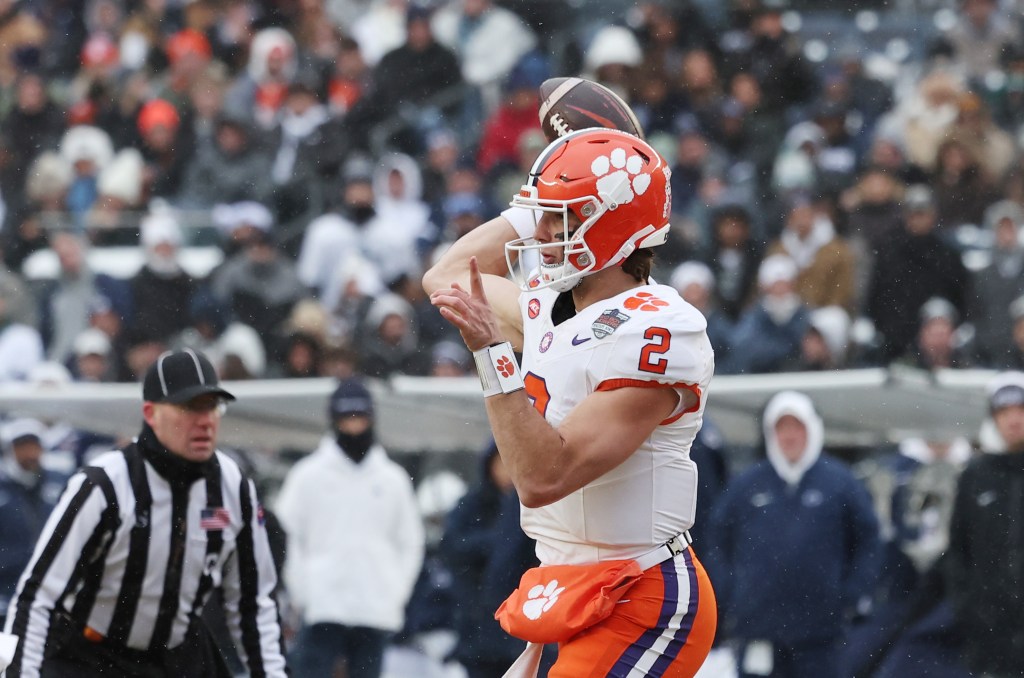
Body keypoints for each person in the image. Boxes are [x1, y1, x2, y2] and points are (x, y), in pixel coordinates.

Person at [425, 128, 716, 676]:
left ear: (617, 222)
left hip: (641, 594)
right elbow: (446, 277)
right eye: (544, 215)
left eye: (563, 217)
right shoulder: (549, 306)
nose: (543, 232)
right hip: (571, 583)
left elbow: (542, 477)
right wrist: (534, 199)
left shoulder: (659, 328)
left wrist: (493, 354)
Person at [3, 349, 288, 677]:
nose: (205, 420)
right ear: (151, 414)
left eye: (212, 406)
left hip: (177, 655)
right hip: (90, 654)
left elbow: (253, 604)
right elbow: (38, 596)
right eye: (189, 407)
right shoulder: (105, 484)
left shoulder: (233, 486)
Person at [706, 391, 882, 678]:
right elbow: (717, 541)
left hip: (820, 635)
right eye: (781, 427)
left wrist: (853, 592)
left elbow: (869, 540)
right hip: (758, 629)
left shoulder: (840, 483)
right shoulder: (747, 485)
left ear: (812, 429)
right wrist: (728, 592)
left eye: (797, 426)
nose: (789, 436)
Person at [275, 378, 424, 678]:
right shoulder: (308, 476)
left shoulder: (392, 479)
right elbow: (285, 535)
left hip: (374, 607)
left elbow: (410, 542)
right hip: (322, 606)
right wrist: (304, 590)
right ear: (334, 420)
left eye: (360, 417)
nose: (354, 426)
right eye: (347, 418)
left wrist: (395, 591)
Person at [946, 371, 1024, 676]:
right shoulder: (976, 476)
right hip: (991, 635)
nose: (1013, 419)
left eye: (1020, 409)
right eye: (1004, 411)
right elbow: (958, 549)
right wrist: (968, 608)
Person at [0, 419, 69, 629]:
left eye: (34, 446)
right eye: (22, 447)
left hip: (48, 588)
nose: (30, 453)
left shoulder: (57, 482)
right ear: (9, 450)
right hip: (6, 588)